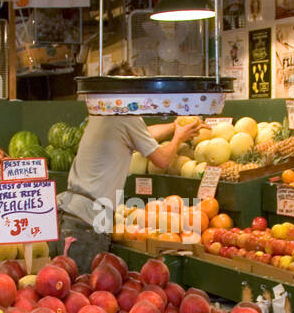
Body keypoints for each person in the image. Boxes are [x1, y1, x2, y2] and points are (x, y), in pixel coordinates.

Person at [56, 113, 198, 274]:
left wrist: (175, 126)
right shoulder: (127, 118)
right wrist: (179, 138)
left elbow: (143, 135)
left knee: (75, 289)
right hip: (87, 224)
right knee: (81, 291)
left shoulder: (104, 112)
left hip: (71, 215)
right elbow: (162, 161)